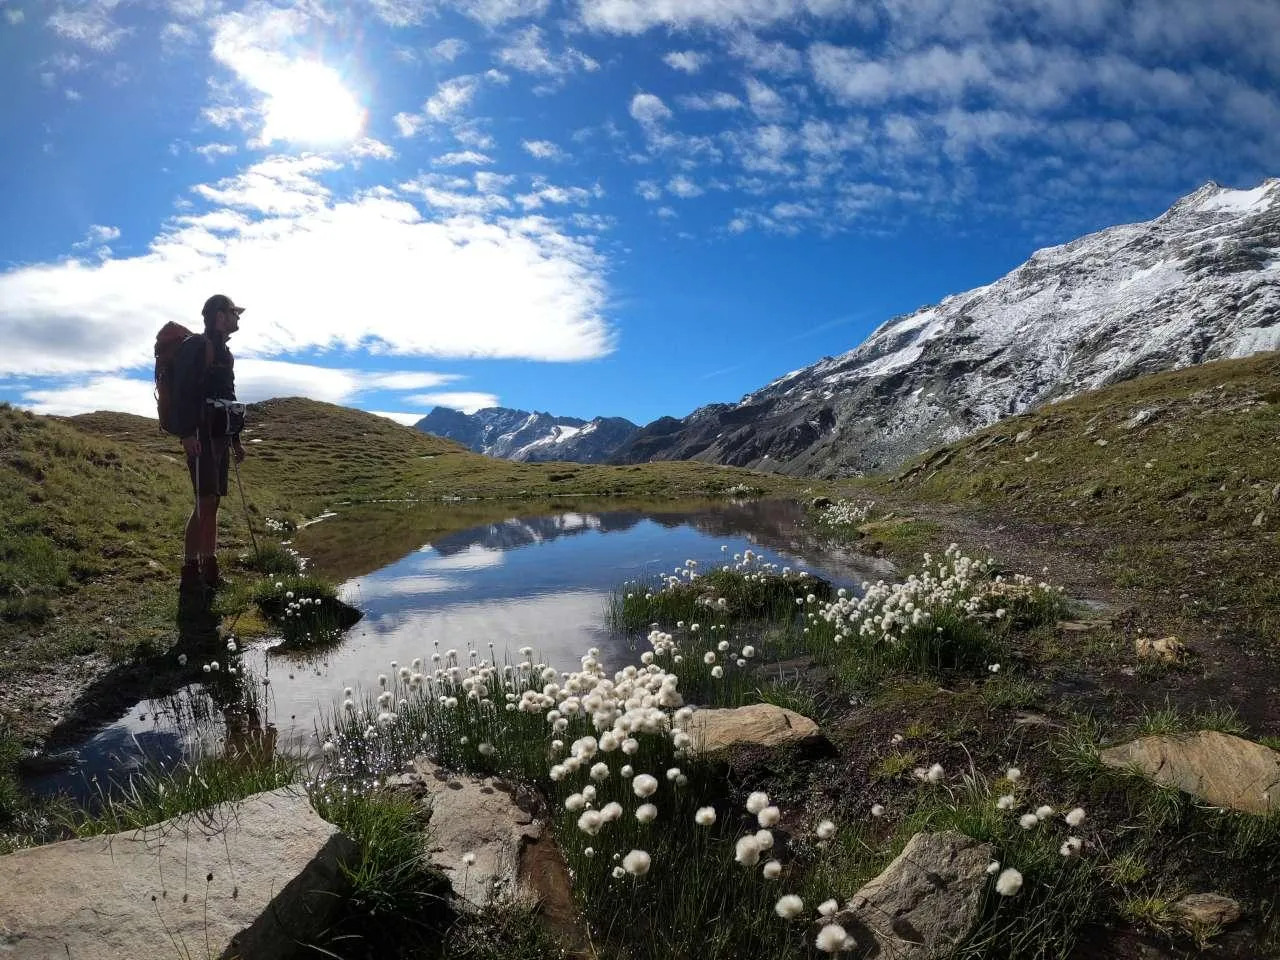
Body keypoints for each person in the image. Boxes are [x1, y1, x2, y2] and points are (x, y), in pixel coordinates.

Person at [173, 294, 247, 593]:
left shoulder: (224, 353)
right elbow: (182, 393)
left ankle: (200, 568)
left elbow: (228, 399)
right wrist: (187, 434)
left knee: (210, 502)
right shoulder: (197, 347)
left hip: (219, 437)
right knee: (206, 501)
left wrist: (236, 441)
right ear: (219, 315)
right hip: (201, 435)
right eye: (233, 312)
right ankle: (200, 571)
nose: (237, 318)